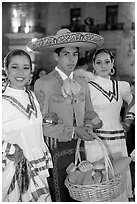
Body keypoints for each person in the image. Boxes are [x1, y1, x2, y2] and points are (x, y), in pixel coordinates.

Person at [28, 28, 104, 201]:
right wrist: (74, 130)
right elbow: (42, 124)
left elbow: (89, 112)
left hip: (80, 147)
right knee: (60, 193)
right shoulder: (43, 83)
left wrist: (89, 125)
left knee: (81, 189)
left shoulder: (83, 82)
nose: (72, 59)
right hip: (56, 148)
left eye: (75, 54)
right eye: (66, 54)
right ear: (56, 56)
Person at [74, 48, 135, 201]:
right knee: (98, 179)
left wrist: (127, 122)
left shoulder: (122, 86)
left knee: (118, 182)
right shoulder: (87, 86)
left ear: (112, 63)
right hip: (96, 140)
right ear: (93, 65)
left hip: (118, 139)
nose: (103, 66)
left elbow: (133, 101)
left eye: (107, 62)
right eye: (99, 62)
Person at [2, 49, 53, 202]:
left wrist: (45, 120)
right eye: (14, 67)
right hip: (14, 170)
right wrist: (10, 149)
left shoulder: (31, 96)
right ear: (6, 69)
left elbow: (27, 124)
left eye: (25, 68)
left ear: (31, 71)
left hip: (37, 164)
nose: (20, 72)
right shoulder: (2, 101)